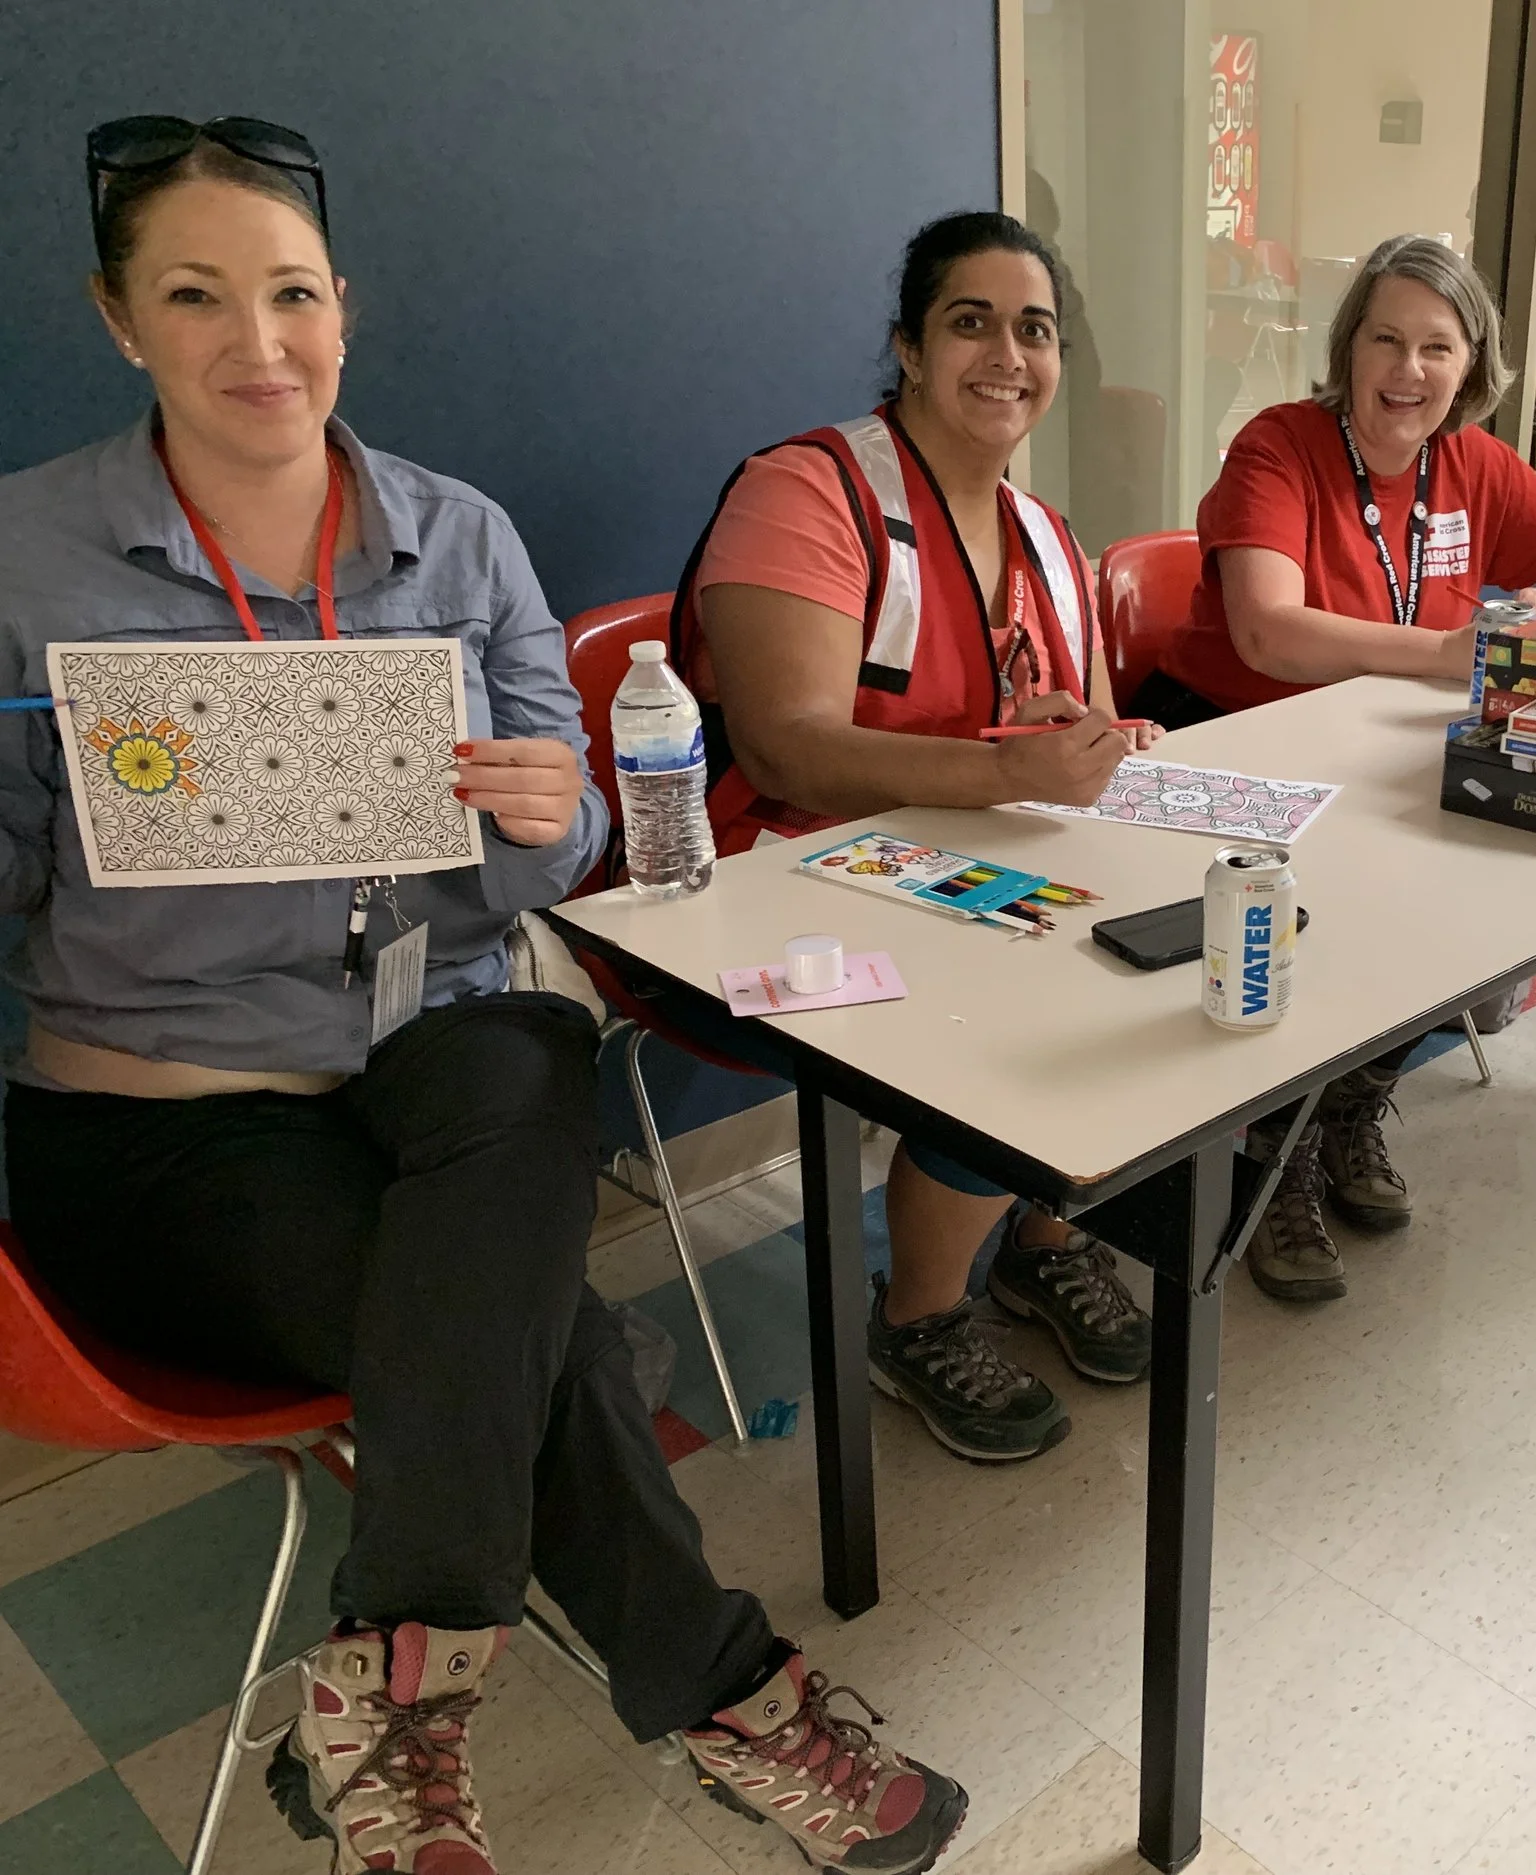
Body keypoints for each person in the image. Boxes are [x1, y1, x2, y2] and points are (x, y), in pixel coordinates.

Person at [0, 116, 965, 1873]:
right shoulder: (24, 556)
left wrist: (554, 811)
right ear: (118, 317)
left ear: (345, 311)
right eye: (196, 296)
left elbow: (558, 858)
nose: (258, 342)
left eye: (292, 293)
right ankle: (726, 1698)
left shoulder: (457, 535)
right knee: (551, 1341)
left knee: (526, 1043)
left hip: (424, 1056)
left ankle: (386, 1673)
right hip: (160, 1125)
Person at [681, 210, 1160, 1467]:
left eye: (1035, 329)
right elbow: (785, 747)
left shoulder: (1051, 537)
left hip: (964, 857)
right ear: (905, 344)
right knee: (1020, 987)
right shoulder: (805, 490)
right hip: (775, 870)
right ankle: (919, 1313)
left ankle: (1045, 1243)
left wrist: (1087, 740)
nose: (1008, 354)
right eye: (970, 322)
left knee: (1143, 940)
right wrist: (1014, 767)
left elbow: (1082, 731)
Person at [1131, 233, 1536, 1303]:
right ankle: (1277, 1149)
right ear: (1348, 349)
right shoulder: (1278, 446)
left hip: (1380, 743)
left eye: (1436, 348)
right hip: (1235, 738)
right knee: (1337, 897)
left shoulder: (1475, 463)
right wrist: (1451, 654)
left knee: (1476, 880)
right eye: (1386, 340)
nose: (1409, 372)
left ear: (1470, 365)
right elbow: (1267, 634)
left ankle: (1351, 1099)